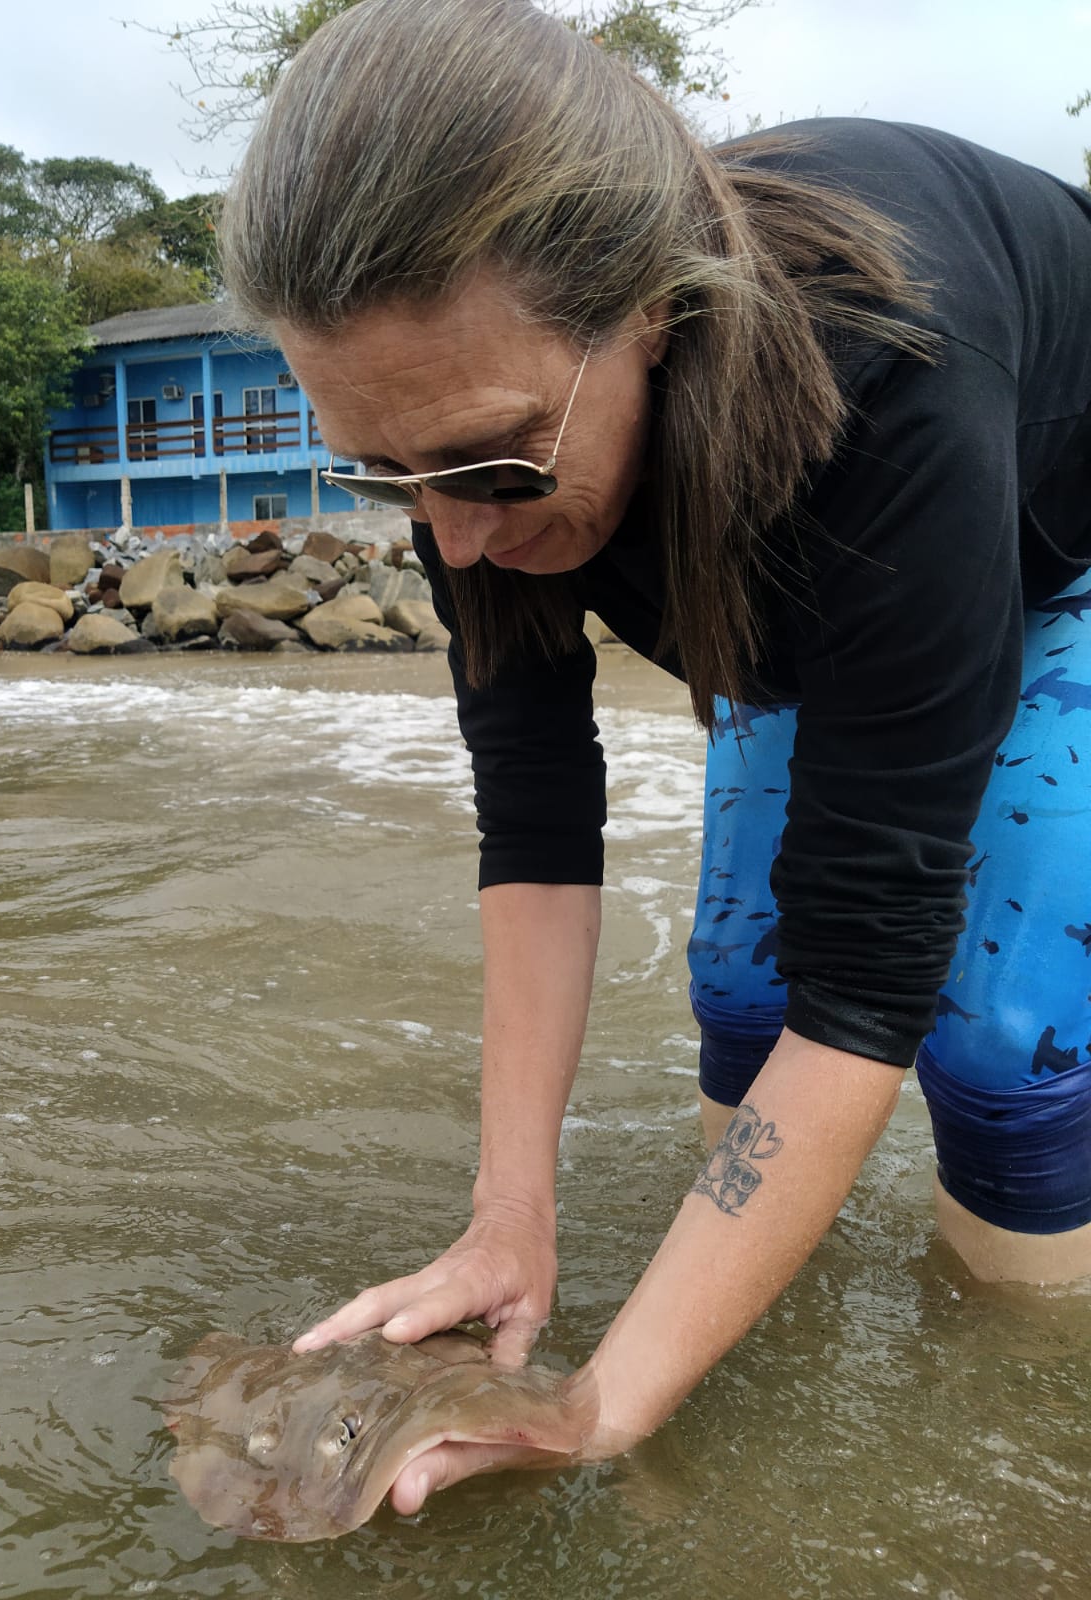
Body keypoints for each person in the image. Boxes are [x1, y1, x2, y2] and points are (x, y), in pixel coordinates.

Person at [219, 0, 1091, 1517]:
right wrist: (510, 1221)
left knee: (999, 1038)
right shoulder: (456, 441)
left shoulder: (897, 378)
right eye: (383, 471)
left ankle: (1020, 1414)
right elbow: (539, 822)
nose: (459, 540)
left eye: (491, 468)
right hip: (775, 563)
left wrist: (597, 1407)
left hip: (1041, 542)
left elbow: (875, 962)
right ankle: (748, 1350)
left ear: (651, 314)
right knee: (746, 990)